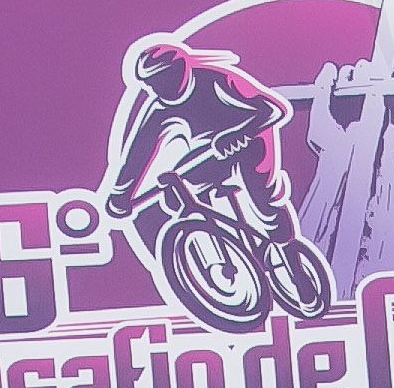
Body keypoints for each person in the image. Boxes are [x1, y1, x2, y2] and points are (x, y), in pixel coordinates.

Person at [102, 38, 301, 247]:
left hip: (252, 143)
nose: (158, 88)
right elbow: (138, 154)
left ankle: (286, 247)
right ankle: (219, 246)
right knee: (175, 194)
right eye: (151, 83)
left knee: (263, 202)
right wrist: (121, 194)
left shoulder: (216, 80)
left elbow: (273, 110)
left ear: (180, 70)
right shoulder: (160, 108)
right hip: (211, 152)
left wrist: (238, 133)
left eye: (162, 78)